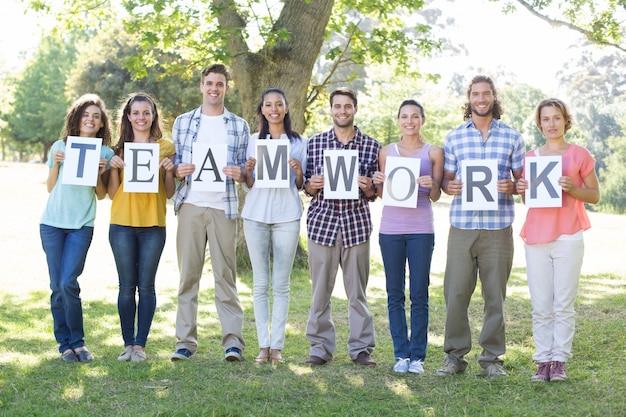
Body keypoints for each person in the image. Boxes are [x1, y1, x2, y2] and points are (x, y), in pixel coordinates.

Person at [436, 75, 525, 378]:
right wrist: (452, 186)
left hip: (498, 228)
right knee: (456, 293)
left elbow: (522, 183)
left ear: (494, 97)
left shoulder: (512, 137)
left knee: (494, 296)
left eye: (486, 94)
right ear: (469, 98)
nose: (481, 99)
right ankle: (454, 357)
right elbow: (447, 181)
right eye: (476, 94)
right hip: (462, 226)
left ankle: (491, 360)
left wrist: (510, 186)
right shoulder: (454, 137)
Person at [170, 63, 250, 362]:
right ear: (201, 86)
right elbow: (176, 163)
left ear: (227, 88)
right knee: (187, 276)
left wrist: (240, 173)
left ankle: (233, 342)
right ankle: (185, 342)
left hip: (223, 207)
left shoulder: (238, 125)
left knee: (225, 277)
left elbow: (244, 169)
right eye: (209, 83)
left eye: (220, 84)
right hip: (191, 205)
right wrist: (178, 169)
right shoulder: (183, 122)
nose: (214, 88)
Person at [516, 98, 599, 382]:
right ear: (539, 124)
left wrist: (573, 188)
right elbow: (528, 199)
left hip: (568, 236)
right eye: (545, 119)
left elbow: (594, 196)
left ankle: (559, 360)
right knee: (541, 304)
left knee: (563, 303)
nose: (551, 124)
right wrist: (522, 189)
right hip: (537, 236)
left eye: (556, 118)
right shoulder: (530, 158)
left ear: (566, 120)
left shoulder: (579, 155)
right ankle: (542, 360)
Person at [303, 87, 381, 367]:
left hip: (356, 225)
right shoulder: (315, 143)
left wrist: (370, 186)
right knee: (320, 290)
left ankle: (361, 348)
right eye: (337, 106)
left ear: (355, 109)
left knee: (357, 292)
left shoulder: (372, 146)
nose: (342, 111)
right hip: (322, 224)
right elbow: (307, 187)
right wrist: (311, 185)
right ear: (331, 109)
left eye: (347, 106)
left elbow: (374, 194)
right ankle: (320, 347)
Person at [40, 94, 114, 363]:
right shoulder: (60, 146)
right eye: (86, 114)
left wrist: (100, 171)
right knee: (57, 285)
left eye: (96, 116)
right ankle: (65, 345)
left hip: (81, 225)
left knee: (68, 282)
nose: (90, 119)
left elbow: (102, 194)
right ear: (77, 118)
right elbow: (50, 187)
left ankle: (79, 343)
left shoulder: (105, 152)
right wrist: (57, 164)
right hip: (51, 224)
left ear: (101, 123)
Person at [372, 100, 443, 374]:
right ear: (398, 120)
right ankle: (401, 354)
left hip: (421, 230)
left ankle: (418, 358)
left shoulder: (433, 152)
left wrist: (432, 184)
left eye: (415, 116)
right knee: (394, 294)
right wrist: (379, 182)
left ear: (422, 119)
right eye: (404, 116)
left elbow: (436, 195)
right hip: (390, 229)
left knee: (419, 294)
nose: (409, 121)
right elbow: (381, 195)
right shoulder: (386, 152)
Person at [107, 93, 176, 362]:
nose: (141, 117)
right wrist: (114, 168)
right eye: (135, 113)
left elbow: (169, 193)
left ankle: (141, 345)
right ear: (128, 116)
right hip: (122, 224)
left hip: (153, 225)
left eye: (146, 112)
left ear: (153, 115)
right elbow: (113, 194)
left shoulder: (165, 147)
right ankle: (127, 344)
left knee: (146, 286)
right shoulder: (119, 149)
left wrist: (169, 171)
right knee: (126, 286)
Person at [241, 87, 307, 365]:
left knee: (281, 285)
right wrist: (247, 170)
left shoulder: (299, 142)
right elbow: (250, 182)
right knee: (260, 284)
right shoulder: (252, 140)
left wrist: (298, 171)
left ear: (286, 108)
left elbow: (302, 185)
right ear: (262, 110)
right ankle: (262, 345)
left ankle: (277, 346)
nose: (274, 109)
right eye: (268, 105)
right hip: (255, 216)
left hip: (287, 216)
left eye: (279, 104)